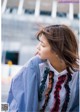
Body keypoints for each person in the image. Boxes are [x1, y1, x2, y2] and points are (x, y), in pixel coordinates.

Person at [7, 24, 79, 112]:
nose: (37, 47)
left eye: (43, 45)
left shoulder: (77, 74)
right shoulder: (34, 66)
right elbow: (14, 97)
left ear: (57, 51)